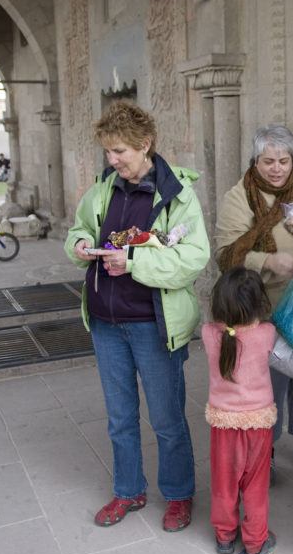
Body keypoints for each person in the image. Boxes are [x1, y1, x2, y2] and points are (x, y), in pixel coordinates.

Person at [65, 100, 210, 532]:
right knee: (120, 417)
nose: (112, 160)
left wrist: (134, 264)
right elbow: (79, 229)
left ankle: (179, 494)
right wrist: (77, 246)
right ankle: (128, 491)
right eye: (108, 152)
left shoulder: (177, 195)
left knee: (167, 418)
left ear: (144, 145)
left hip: (153, 325)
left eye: (120, 152)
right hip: (106, 324)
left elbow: (193, 258)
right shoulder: (102, 189)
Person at [214, 125, 293, 481]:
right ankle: (264, 448)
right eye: (268, 161)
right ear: (256, 161)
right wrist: (267, 262)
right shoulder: (239, 197)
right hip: (263, 307)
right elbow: (225, 255)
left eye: (284, 160)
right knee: (268, 381)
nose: (277, 168)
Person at [202, 267, 278, 554]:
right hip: (258, 424)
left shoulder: (209, 335)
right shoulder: (267, 334)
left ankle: (224, 536)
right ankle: (255, 543)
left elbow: (226, 330)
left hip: (223, 424)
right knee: (255, 485)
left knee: (224, 483)